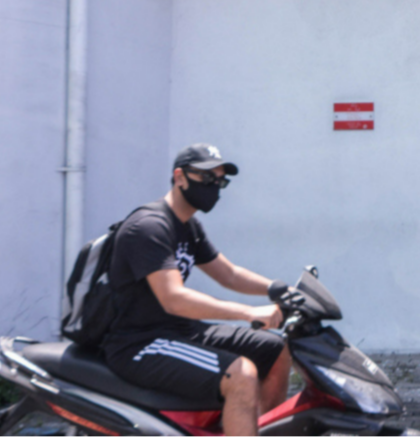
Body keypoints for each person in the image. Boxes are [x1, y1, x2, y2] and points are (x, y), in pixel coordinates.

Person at [101, 143, 289, 437]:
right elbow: (174, 299)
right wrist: (249, 312)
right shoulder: (149, 227)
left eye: (220, 181)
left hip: (179, 330)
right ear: (180, 177)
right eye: (207, 177)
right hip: (140, 341)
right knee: (241, 375)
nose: (214, 186)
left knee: (276, 350)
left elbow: (229, 274)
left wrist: (279, 289)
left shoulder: (188, 227)